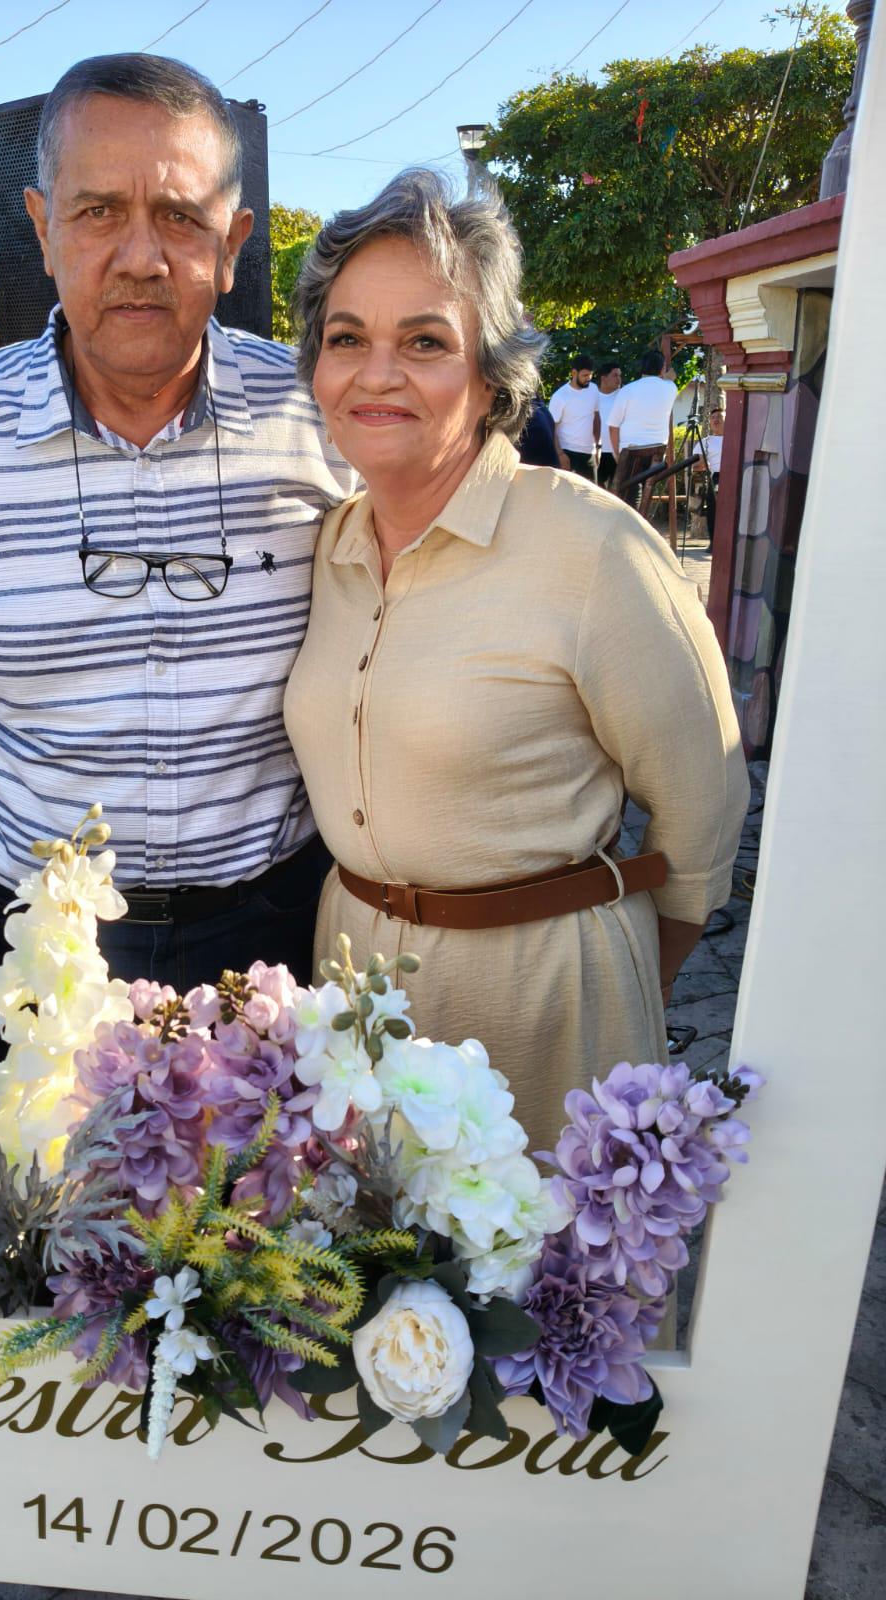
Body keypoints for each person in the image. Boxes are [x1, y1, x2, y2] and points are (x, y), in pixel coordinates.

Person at [0, 54, 356, 1061]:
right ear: (41, 228)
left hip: (276, 935)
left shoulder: (323, 419)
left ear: (234, 242)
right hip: (43, 946)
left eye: (180, 216)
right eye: (98, 212)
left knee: (271, 1171)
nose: (140, 257)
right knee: (55, 1169)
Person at [284, 170, 748, 1155]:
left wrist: (625, 981)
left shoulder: (593, 549)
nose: (376, 373)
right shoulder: (325, 549)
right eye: (347, 339)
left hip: (544, 1004)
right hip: (354, 991)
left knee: (544, 1252)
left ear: (491, 376)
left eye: (425, 342)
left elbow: (702, 808)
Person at [609, 350, 679, 516]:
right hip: (657, 450)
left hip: (631, 450)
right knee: (645, 492)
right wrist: (666, 375)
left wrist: (616, 453)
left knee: (628, 495)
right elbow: (669, 379)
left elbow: (613, 426)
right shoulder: (671, 388)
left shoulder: (627, 390)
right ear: (662, 368)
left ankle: (630, 524)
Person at [548, 355, 599, 480]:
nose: (588, 378)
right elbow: (551, 427)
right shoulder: (560, 396)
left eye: (590, 375)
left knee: (591, 492)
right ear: (574, 373)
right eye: (585, 375)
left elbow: (596, 418)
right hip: (567, 452)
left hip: (589, 453)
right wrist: (560, 454)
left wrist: (598, 447)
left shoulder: (594, 389)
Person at [693, 405, 725, 543]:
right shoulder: (705, 442)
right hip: (716, 476)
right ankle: (714, 543)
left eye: (719, 417)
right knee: (713, 508)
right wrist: (704, 464)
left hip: (734, 476)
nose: (716, 419)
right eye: (713, 417)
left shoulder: (735, 438)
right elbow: (695, 466)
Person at [594, 361, 622, 491]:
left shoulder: (623, 395)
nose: (619, 379)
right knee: (597, 492)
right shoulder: (592, 395)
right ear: (603, 378)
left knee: (619, 492)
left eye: (620, 375)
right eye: (615, 375)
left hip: (618, 452)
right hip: (597, 452)